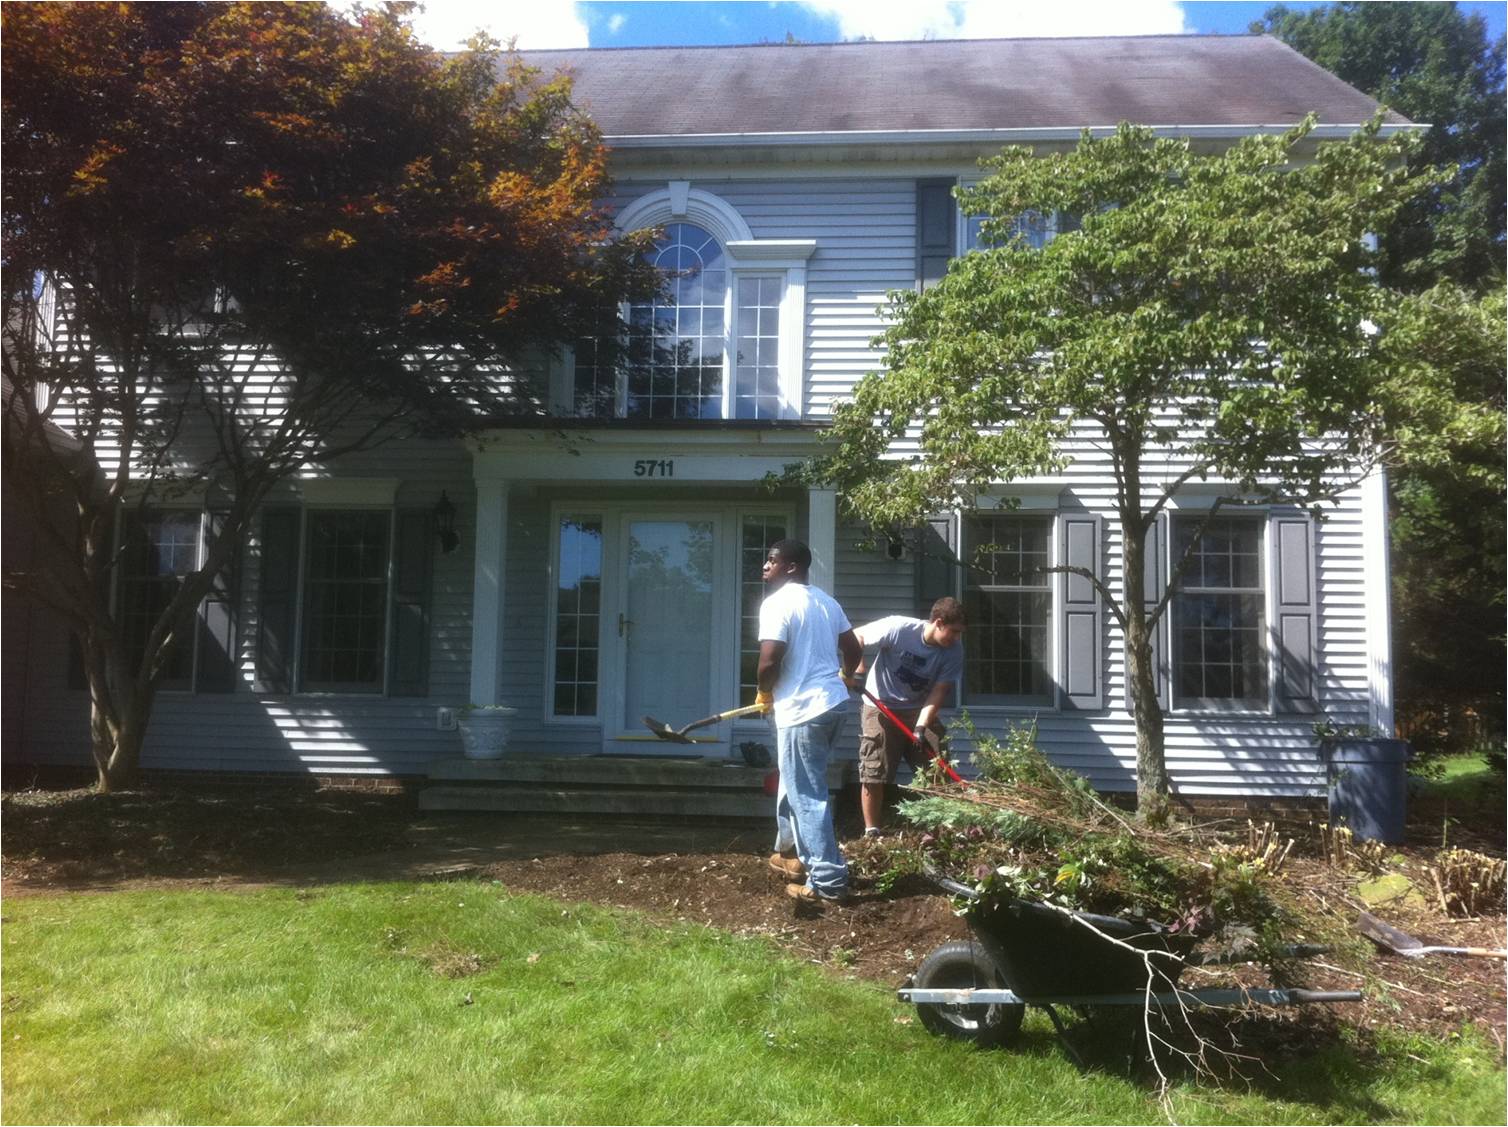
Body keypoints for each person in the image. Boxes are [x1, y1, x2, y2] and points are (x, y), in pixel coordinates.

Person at [756, 538, 862, 904]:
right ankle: (789, 853)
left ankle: (828, 881)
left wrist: (764, 691)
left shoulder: (777, 603)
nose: (765, 566)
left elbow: (769, 661)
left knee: (807, 794)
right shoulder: (826, 602)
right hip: (833, 706)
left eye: (771, 561)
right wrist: (845, 676)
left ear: (791, 567)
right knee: (795, 779)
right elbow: (853, 648)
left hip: (802, 711)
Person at [852, 597, 966, 836]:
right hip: (880, 706)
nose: (956, 638)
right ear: (938, 622)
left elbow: (939, 691)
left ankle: (941, 830)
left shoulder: (954, 651)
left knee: (937, 767)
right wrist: (858, 669)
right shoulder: (899, 628)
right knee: (874, 770)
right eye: (954, 631)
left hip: (918, 708)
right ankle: (872, 832)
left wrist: (921, 726)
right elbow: (856, 636)